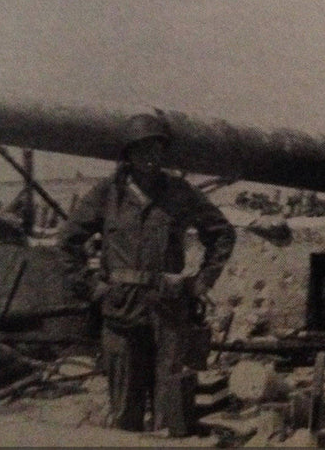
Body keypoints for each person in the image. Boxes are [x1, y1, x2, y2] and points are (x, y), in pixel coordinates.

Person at [59, 112, 235, 436]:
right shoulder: (107, 195)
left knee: (173, 408)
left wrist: (201, 282)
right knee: (125, 407)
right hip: (120, 308)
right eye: (142, 150)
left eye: (157, 149)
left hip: (168, 308)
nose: (151, 158)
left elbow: (222, 233)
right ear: (128, 155)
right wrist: (94, 289)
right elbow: (67, 243)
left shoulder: (180, 192)